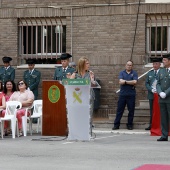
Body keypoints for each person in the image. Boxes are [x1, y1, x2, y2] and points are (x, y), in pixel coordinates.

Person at [70, 57, 97, 130]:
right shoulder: (75, 75)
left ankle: (88, 131)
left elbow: (95, 85)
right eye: (87, 63)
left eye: (89, 63)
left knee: (88, 115)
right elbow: (70, 86)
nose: (89, 65)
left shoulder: (90, 73)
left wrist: (92, 79)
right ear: (82, 64)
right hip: (78, 98)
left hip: (88, 97)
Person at [112, 60, 138, 130]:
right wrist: (130, 82)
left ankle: (129, 124)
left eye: (130, 65)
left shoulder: (134, 73)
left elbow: (135, 82)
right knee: (119, 110)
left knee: (131, 110)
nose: (129, 66)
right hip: (122, 94)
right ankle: (116, 125)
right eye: (128, 65)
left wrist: (125, 81)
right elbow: (120, 82)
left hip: (131, 94)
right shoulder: (122, 73)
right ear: (125, 65)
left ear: (132, 66)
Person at [145, 58, 162, 130]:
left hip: (160, 95)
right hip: (151, 94)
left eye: (156, 64)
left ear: (159, 64)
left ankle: (161, 125)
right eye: (153, 64)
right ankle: (151, 124)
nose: (154, 65)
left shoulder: (163, 72)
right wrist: (151, 89)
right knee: (152, 110)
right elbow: (147, 83)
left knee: (161, 110)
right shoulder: (150, 73)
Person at [156, 54, 170, 141]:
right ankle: (164, 135)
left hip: (169, 97)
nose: (163, 62)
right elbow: (157, 83)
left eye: (164, 60)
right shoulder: (161, 71)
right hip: (162, 98)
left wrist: (166, 93)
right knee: (164, 118)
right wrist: (160, 92)